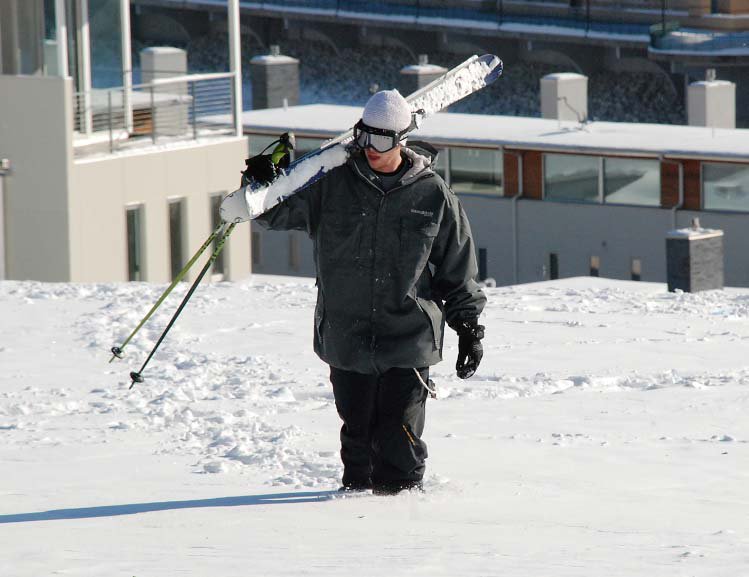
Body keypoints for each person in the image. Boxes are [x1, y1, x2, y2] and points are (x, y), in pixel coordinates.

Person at [249, 90, 486, 495]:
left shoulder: (432, 194)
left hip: (408, 335)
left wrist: (468, 327)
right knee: (358, 438)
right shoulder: (331, 184)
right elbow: (270, 214)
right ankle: (357, 526)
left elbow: (457, 267)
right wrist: (263, 183)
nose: (371, 150)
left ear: (401, 139)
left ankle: (404, 513)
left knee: (398, 440)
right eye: (364, 138)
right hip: (346, 334)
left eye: (382, 140)